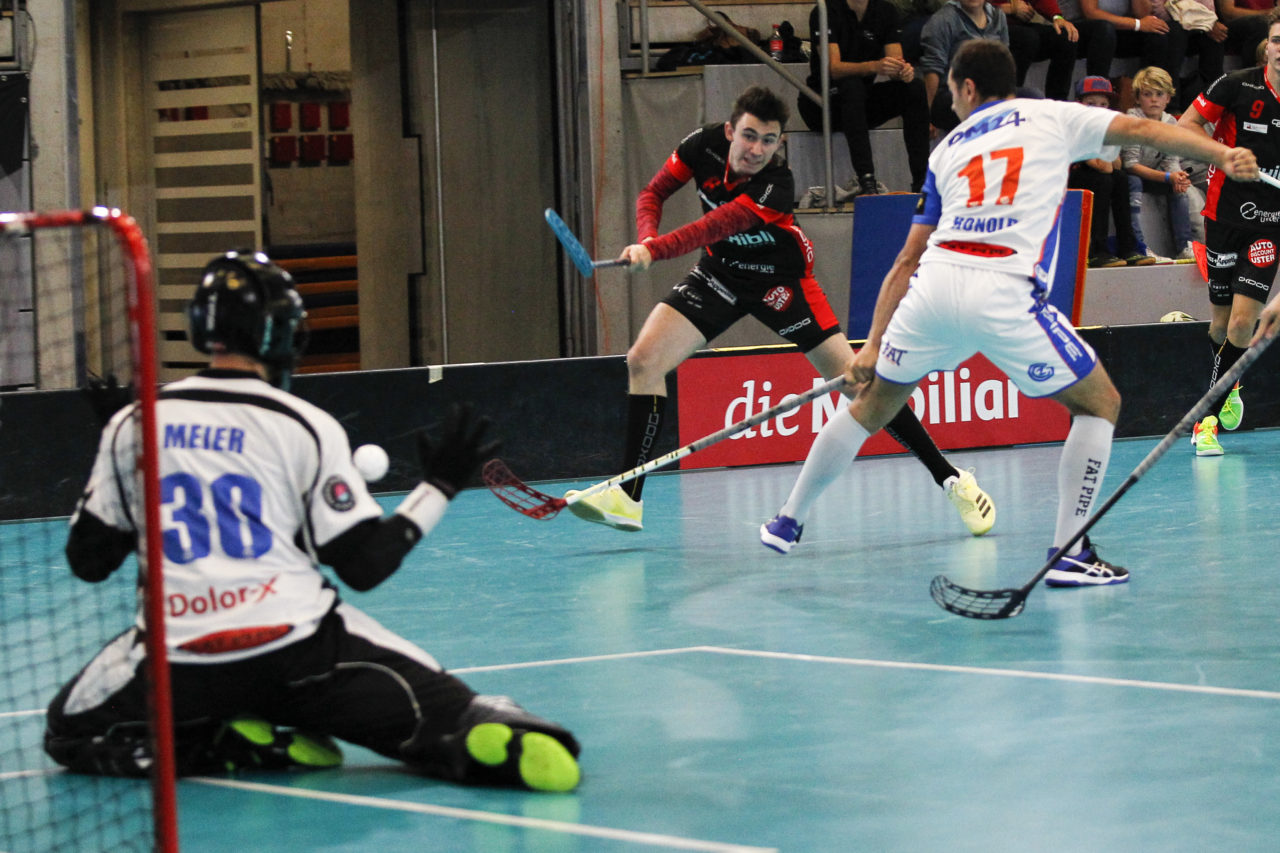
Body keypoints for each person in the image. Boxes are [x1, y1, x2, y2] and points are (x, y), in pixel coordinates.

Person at [43, 251, 581, 792]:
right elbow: (365, 565)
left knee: (66, 731)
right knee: (438, 714)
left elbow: (88, 562)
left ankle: (219, 742)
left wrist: (118, 458)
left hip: (180, 666)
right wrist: (438, 486)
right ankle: (472, 731)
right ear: (284, 335)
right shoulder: (304, 424)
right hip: (303, 657)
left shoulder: (133, 424)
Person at [760, 39, 1258, 587]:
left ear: (969, 88)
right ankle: (1069, 552)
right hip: (1002, 289)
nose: (948, 102)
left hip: (931, 291)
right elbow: (1139, 131)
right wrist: (1220, 155)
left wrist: (873, 345)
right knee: (1100, 402)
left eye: (949, 89)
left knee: (870, 407)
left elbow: (907, 259)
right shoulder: (1051, 116)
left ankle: (787, 520)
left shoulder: (948, 148)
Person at [569, 86, 996, 538]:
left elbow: (710, 227)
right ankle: (627, 497)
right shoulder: (700, 145)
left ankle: (951, 479)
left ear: (780, 143)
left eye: (768, 140)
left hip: (782, 283)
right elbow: (653, 193)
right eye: (749, 136)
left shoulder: (777, 186)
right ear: (730, 130)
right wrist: (645, 233)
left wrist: (654, 250)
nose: (756, 149)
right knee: (642, 361)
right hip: (720, 275)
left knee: (860, 386)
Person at [1178, 10, 1280, 456]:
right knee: (1221, 326)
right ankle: (1231, 381)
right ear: (1267, 47)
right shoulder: (1237, 84)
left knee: (1242, 322)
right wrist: (1224, 155)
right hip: (1222, 216)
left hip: (1270, 226)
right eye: (1278, 39)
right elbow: (1185, 127)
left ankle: (1207, 423)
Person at [798, 0, 931, 196]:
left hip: (857, 103)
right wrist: (876, 66)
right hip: (822, 103)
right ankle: (867, 180)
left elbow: (895, 61)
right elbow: (833, 68)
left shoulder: (885, 10)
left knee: (914, 88)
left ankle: (922, 182)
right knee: (853, 86)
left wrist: (903, 71)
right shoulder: (825, 11)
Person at [1069, 76, 1159, 267]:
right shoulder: (1077, 127)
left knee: (1121, 178)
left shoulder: (1106, 128)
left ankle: (1127, 246)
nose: (1099, 109)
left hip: (1095, 174)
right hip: (1069, 179)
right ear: (1079, 105)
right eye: (1091, 104)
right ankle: (1096, 250)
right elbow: (1103, 166)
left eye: (1103, 104)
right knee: (1104, 180)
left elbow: (1117, 165)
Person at [1122, 66, 1198, 262]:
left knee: (1179, 188)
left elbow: (1171, 161)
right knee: (1133, 181)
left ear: (1168, 99)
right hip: (1129, 176)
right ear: (1138, 99)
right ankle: (1139, 246)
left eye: (1159, 94)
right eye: (1148, 94)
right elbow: (1130, 164)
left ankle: (1183, 246)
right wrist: (1167, 177)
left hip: (1154, 175)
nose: (1154, 99)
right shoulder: (1132, 120)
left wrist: (1177, 177)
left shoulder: (1170, 122)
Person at [920, 0, 1013, 131]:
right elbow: (933, 68)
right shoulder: (942, 20)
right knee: (982, 102)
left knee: (1030, 95)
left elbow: (1004, 64)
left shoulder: (998, 16)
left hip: (990, 90)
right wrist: (928, 116)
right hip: (953, 93)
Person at [994, 0, 1080, 101]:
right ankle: (1008, 99)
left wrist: (1057, 17)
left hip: (1019, 26)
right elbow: (973, 7)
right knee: (1027, 38)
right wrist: (1007, 9)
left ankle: (1057, 104)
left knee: (1065, 37)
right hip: (989, 28)